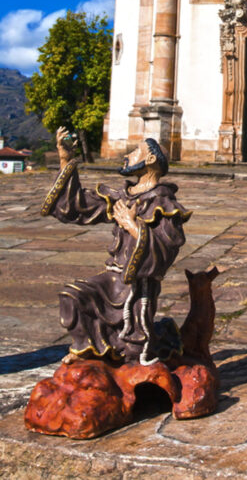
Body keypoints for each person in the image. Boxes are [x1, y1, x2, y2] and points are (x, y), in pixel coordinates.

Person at [42, 129, 191, 365]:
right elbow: (78, 206)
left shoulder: (164, 204)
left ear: (150, 160)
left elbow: (167, 247)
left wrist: (133, 227)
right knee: (72, 296)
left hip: (137, 285)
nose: (128, 155)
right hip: (112, 278)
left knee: (134, 350)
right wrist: (65, 159)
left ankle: (132, 354)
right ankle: (89, 350)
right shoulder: (123, 197)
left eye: (135, 152)